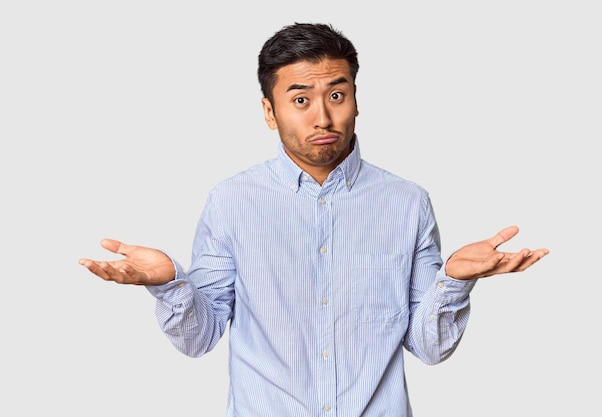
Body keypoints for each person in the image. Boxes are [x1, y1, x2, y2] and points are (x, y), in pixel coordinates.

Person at [79, 22, 549, 416]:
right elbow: (199, 339)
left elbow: (430, 348)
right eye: (300, 100)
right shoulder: (231, 201)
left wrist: (453, 281)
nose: (323, 117)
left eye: (337, 95)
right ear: (270, 111)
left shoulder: (408, 202)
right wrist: (168, 284)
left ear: (357, 101)